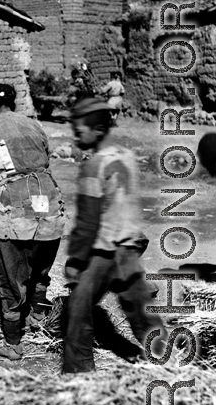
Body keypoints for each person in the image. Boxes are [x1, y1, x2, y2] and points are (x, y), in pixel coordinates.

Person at [0, 83, 66, 360]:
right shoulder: (35, 126)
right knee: (40, 271)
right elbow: (43, 163)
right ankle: (39, 318)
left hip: (15, 210)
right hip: (50, 205)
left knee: (11, 280)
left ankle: (13, 344)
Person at [62, 98, 167, 374]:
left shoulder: (93, 166)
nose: (76, 136)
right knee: (140, 308)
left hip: (102, 253)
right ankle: (167, 360)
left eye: (79, 130)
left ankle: (79, 372)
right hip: (128, 247)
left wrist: (75, 259)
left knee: (78, 310)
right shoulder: (126, 156)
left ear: (97, 130)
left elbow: (87, 221)